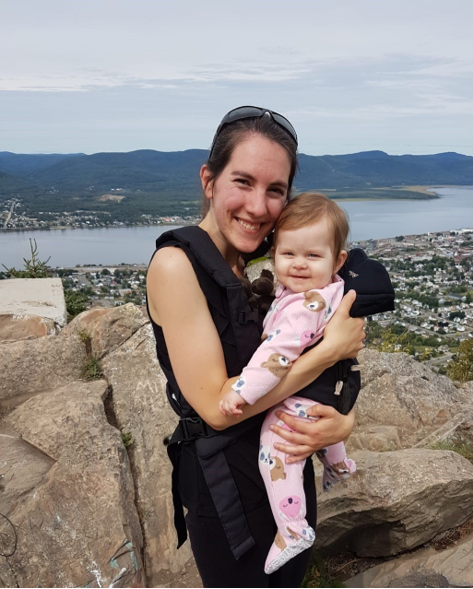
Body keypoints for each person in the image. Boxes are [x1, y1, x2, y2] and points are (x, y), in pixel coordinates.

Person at [147, 106, 366, 588]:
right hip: (226, 491)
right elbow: (218, 408)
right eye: (242, 182)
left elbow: (313, 377)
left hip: (282, 472)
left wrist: (341, 422)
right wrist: (328, 352)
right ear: (209, 180)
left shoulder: (259, 269)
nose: (258, 206)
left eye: (275, 190)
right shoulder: (175, 266)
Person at [218, 192, 358, 574]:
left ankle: (293, 529)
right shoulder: (327, 290)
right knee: (321, 417)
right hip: (320, 391)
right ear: (275, 253)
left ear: (337, 260)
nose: (298, 265)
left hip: (295, 396)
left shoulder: (303, 307)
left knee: (277, 449)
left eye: (312, 256)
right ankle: (339, 464)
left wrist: (242, 390)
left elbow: (277, 356)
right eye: (288, 254)